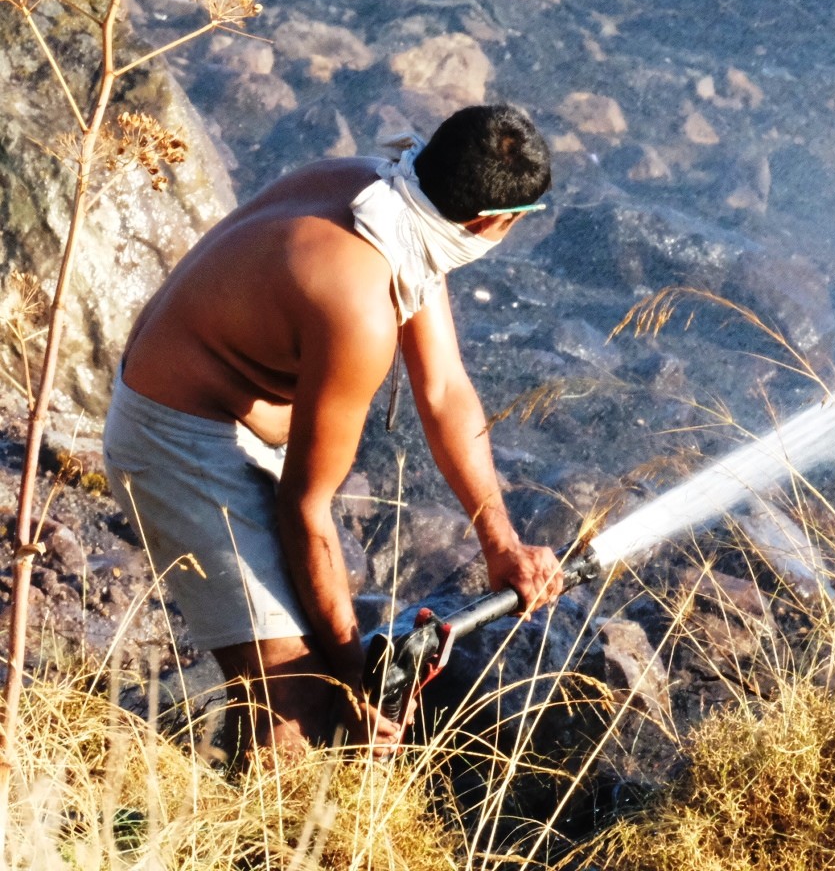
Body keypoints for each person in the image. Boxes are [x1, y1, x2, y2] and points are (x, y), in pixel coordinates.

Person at [102, 103, 566, 758]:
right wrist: (353, 679)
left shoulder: (382, 197)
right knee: (298, 698)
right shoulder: (359, 304)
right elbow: (307, 507)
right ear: (492, 222)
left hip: (228, 421)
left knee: (315, 658)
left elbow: (443, 390)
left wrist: (502, 545)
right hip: (176, 440)